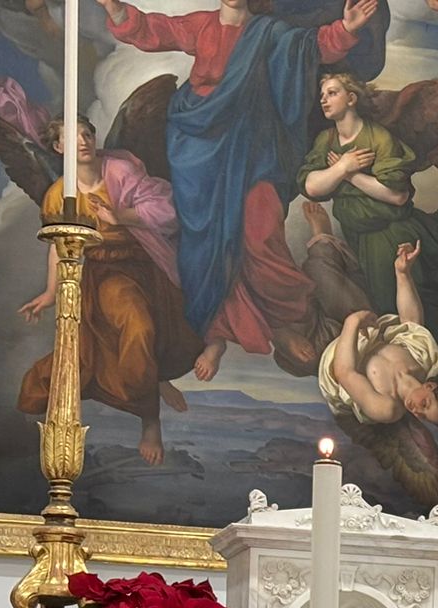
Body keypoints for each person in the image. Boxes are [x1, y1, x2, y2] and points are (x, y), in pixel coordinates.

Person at [96, 0, 383, 380]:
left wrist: (346, 28)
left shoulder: (270, 33)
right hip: (198, 148)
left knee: (260, 229)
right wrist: (116, 9)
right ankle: (220, 329)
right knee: (204, 238)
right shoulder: (201, 25)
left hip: (253, 147)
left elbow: (311, 47)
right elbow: (154, 30)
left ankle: (286, 316)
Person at [299, 70, 438, 368]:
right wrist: (340, 168)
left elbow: (397, 195)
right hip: (358, 232)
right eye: (322, 95)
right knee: (406, 296)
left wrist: (350, 173)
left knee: (397, 308)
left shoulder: (379, 137)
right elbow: (310, 185)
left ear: (351, 98)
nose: (324, 99)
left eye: (332, 93)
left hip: (387, 231)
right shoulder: (327, 139)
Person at [18, 117, 201, 465]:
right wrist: (50, 292)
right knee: (137, 327)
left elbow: (167, 209)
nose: (84, 141)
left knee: (172, 333)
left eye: (88, 133)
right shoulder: (59, 196)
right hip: (107, 274)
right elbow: (58, 246)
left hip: (150, 264)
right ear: (58, 148)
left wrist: (122, 215)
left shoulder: (120, 169)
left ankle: (155, 379)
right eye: (72, 138)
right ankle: (150, 418)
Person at [319, 246, 438, 427]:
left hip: (332, 351)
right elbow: (410, 324)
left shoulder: (387, 409)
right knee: (347, 266)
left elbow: (344, 373)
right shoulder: (423, 363)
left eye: (424, 417)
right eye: (425, 405)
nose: (418, 413)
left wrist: (352, 322)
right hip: (363, 327)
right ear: (430, 387)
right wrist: (403, 273)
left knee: (320, 273)